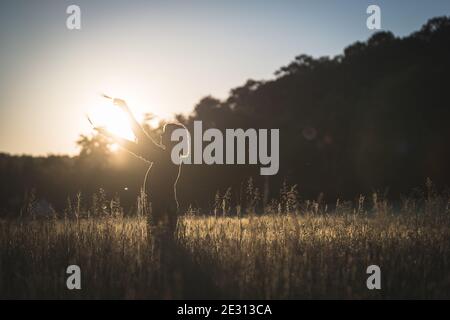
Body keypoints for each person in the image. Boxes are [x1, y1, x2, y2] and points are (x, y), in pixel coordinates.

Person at [95, 98, 185, 239]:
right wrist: (125, 110)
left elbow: (138, 147)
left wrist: (111, 133)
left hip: (162, 208)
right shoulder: (169, 155)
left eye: (165, 132)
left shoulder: (168, 157)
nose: (161, 134)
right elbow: (142, 137)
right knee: (162, 247)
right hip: (161, 207)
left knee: (160, 247)